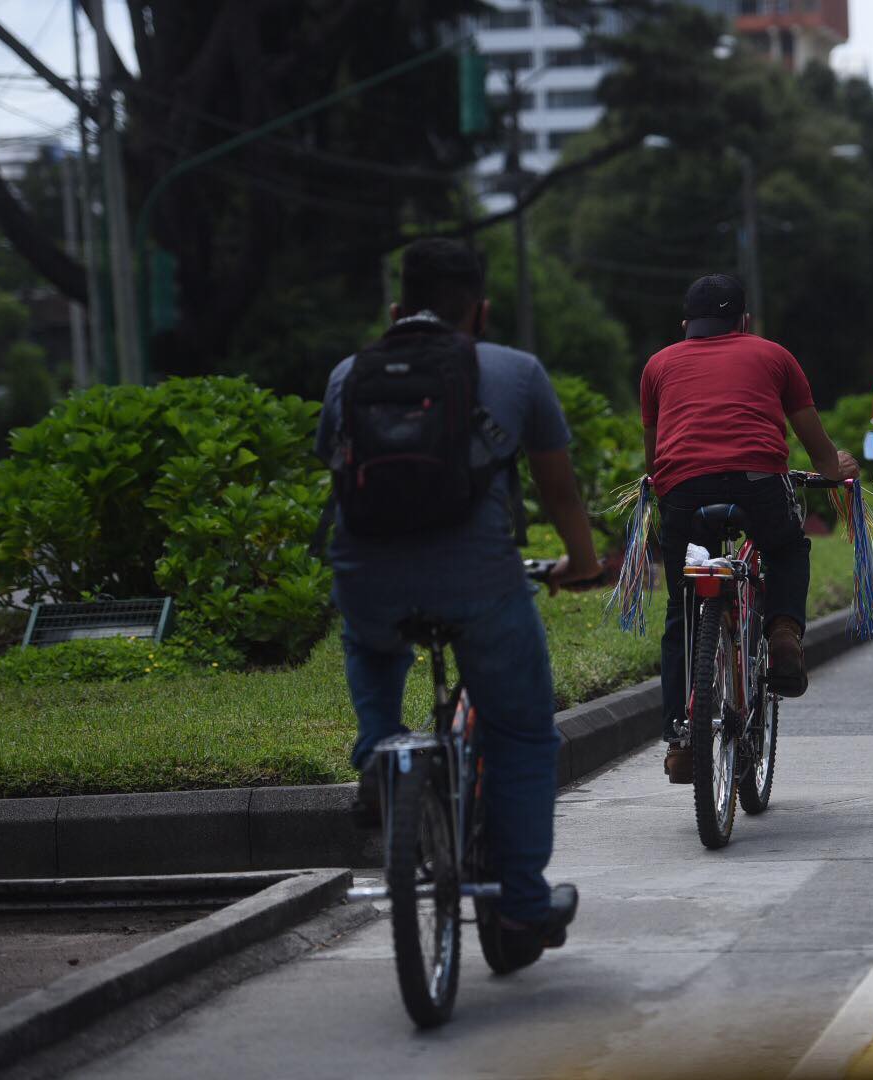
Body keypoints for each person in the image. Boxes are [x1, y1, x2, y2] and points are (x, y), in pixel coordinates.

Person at [316, 238, 602, 968]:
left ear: (394, 309)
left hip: (367, 576)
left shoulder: (349, 375)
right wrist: (585, 561)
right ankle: (525, 906)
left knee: (371, 643)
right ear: (480, 310)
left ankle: (380, 753)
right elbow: (559, 490)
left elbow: (340, 470)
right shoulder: (515, 371)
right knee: (524, 733)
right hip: (478, 583)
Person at [641, 273, 859, 780]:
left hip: (684, 493)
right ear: (744, 321)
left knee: (682, 610)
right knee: (785, 548)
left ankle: (680, 740)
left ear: (685, 325)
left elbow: (654, 458)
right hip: (759, 484)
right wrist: (836, 469)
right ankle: (783, 632)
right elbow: (815, 443)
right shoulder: (774, 355)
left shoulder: (657, 365)